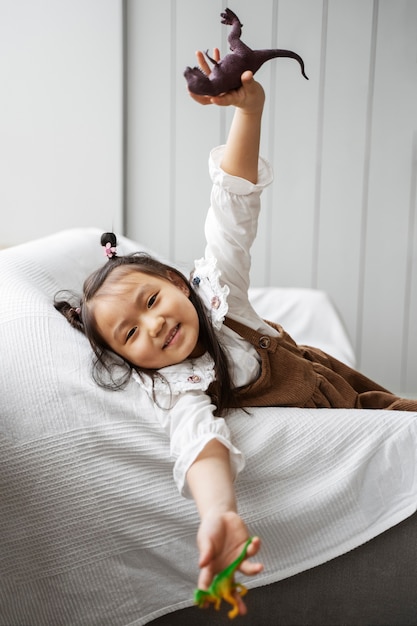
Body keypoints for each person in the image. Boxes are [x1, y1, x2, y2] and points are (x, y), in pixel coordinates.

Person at [55, 50, 417, 614]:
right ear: (128, 359)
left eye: (153, 300)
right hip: (335, 419)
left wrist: (248, 112)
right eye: (130, 335)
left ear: (178, 281)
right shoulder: (181, 382)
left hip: (340, 381)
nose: (155, 326)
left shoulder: (217, 292)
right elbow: (199, 444)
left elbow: (232, 209)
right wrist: (219, 514)